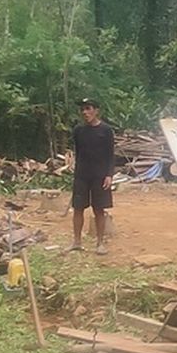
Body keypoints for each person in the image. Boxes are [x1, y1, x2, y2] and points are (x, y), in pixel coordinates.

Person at [67, 98, 115, 254]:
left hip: (100, 176)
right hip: (81, 175)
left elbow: (110, 154)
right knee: (78, 208)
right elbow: (78, 151)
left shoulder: (106, 130)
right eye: (82, 110)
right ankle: (76, 242)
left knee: (99, 209)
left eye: (88, 109)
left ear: (96, 111)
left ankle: (100, 243)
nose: (85, 112)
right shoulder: (78, 130)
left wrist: (109, 175)